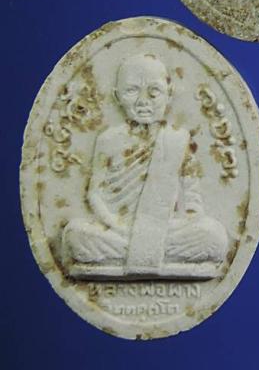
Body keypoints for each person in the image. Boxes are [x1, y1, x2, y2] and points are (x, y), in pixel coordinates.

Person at [62, 54, 228, 278]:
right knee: (75, 235)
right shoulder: (108, 140)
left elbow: (192, 204)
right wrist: (122, 228)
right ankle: (147, 254)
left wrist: (160, 230)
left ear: (169, 94)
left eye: (154, 92)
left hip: (167, 232)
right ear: (117, 96)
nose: (143, 101)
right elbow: (95, 194)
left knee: (214, 236)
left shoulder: (178, 140)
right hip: (119, 233)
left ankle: (135, 254)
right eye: (132, 91)